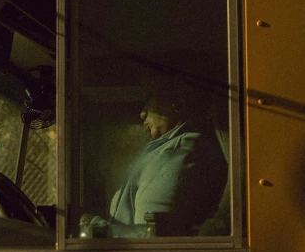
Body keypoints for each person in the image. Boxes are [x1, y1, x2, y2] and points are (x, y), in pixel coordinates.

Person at [85, 69, 228, 237]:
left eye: (149, 99)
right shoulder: (168, 149)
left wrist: (89, 226)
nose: (142, 113)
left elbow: (151, 237)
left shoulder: (180, 152)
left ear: (173, 103)